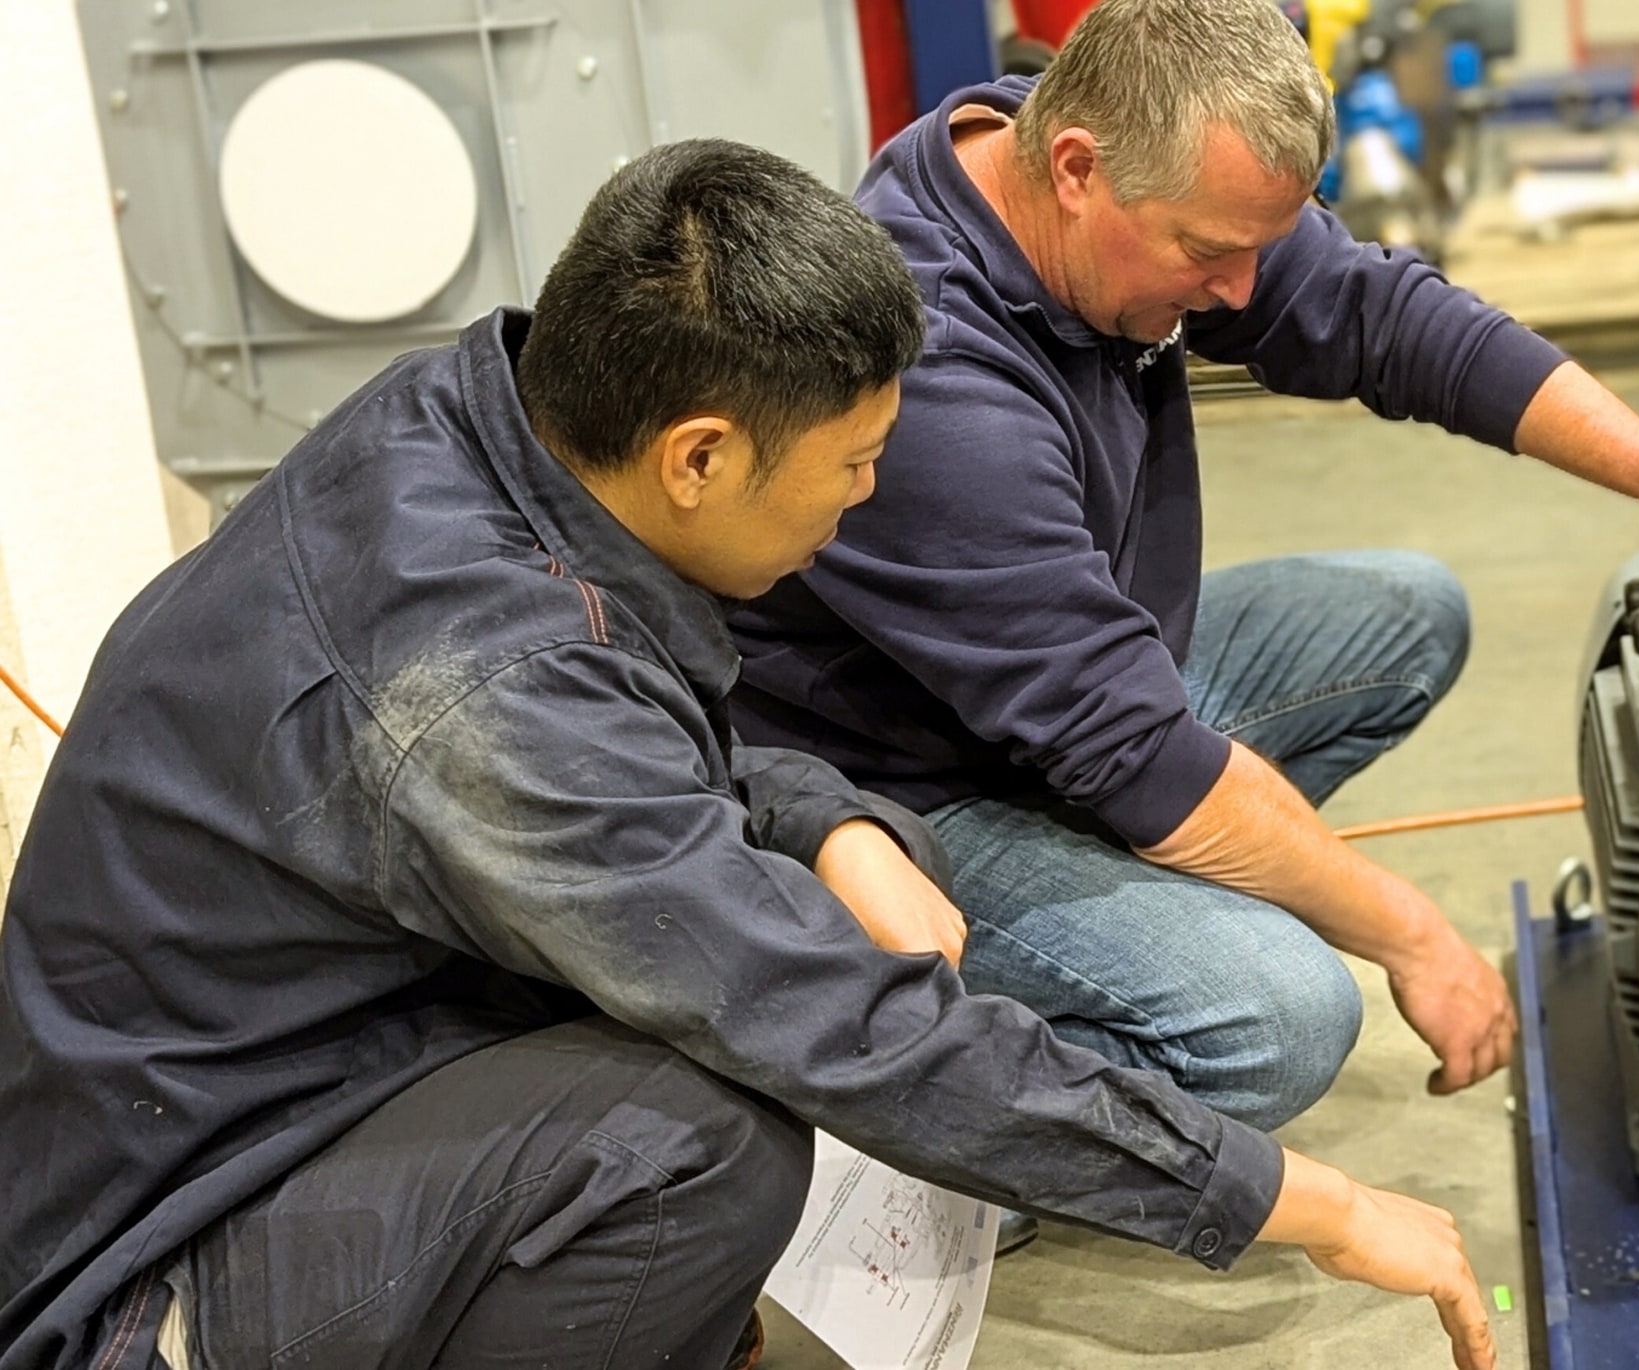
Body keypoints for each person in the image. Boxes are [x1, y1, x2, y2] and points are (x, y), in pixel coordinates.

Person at [0, 139, 1494, 1370]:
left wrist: (833, 818)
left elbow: (647, 734)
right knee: (695, 1141)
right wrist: (1309, 1201)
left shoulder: (484, 427)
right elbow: (833, 1021)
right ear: (700, 454)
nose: (866, 499)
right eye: (852, 465)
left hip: (317, 1063)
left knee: (776, 987)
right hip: (163, 1252)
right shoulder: (485, 688)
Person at [728, 0, 1639, 1138]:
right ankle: (903, 1104)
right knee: (1276, 1020)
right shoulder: (932, 375)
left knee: (1404, 614)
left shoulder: (1098, 155)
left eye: (1256, 250)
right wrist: (1411, 935)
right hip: (905, 792)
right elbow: (1131, 752)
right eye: (1208, 254)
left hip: (1051, 711)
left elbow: (1385, 317)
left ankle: (1138, 910)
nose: (1239, 292)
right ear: (1074, 169)